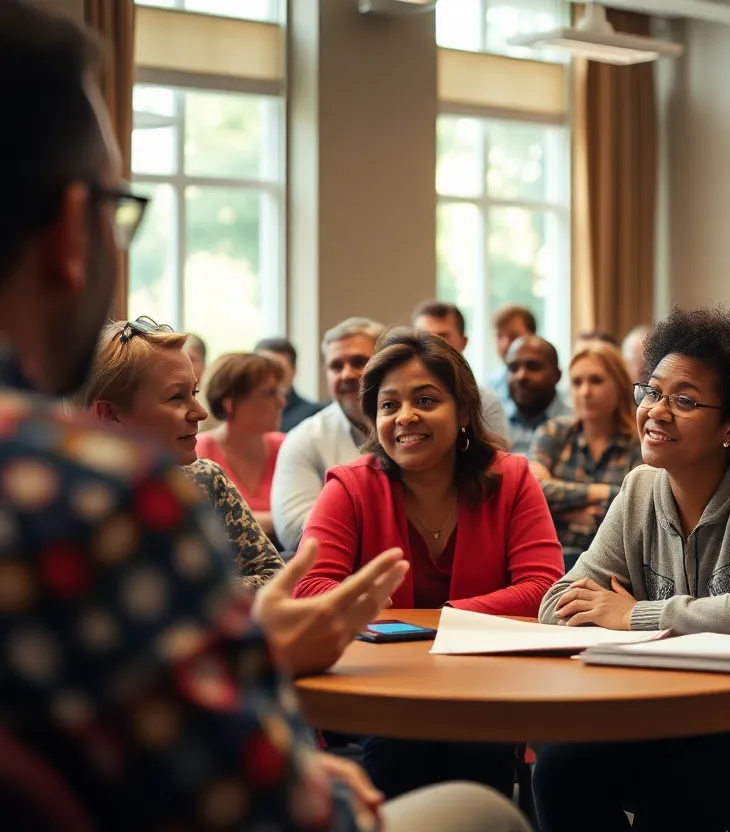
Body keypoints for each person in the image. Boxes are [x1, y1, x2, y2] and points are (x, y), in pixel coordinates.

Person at [0, 4, 530, 830]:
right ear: (74, 230)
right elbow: (252, 805)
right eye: (116, 207)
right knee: (480, 811)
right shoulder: (89, 494)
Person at [534, 307, 730, 832]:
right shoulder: (640, 489)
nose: (656, 411)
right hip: (672, 709)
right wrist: (598, 610)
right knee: (559, 769)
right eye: (651, 392)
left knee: (674, 801)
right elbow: (558, 599)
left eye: (684, 400)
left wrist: (636, 616)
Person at [294, 327, 564, 799]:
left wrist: (438, 622)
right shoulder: (350, 486)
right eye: (388, 405)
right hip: (387, 690)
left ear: (463, 412)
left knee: (477, 771)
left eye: (425, 400)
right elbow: (312, 589)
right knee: (398, 758)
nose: (405, 417)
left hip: (487, 690)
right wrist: (442, 629)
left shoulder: (512, 478)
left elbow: (543, 586)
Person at [80, 320, 285, 589]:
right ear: (109, 415)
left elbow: (277, 577)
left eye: (194, 392)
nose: (200, 412)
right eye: (176, 397)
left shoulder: (206, 480)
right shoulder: (64, 502)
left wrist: (195, 594)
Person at [271, 316, 385, 551]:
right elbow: (293, 531)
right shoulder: (304, 438)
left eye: (358, 362)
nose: (345, 375)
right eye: (336, 366)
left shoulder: (413, 427)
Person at [529, 342, 643, 568]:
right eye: (577, 382)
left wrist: (561, 511)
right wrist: (602, 493)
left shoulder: (639, 442)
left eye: (596, 381)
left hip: (615, 565)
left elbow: (638, 505)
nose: (585, 392)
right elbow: (534, 493)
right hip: (552, 559)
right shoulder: (554, 433)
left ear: (619, 385)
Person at [196, 351, 287, 537]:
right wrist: (280, 521)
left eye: (279, 392)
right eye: (269, 393)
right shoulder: (199, 451)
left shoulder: (286, 447)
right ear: (230, 403)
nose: (281, 402)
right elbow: (204, 524)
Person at [412, 299, 511, 439]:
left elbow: (498, 456)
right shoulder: (398, 400)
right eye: (424, 337)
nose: (431, 346)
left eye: (442, 337)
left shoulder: (486, 403)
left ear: (463, 342)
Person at [503, 334, 571, 455]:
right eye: (513, 368)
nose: (521, 376)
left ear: (557, 375)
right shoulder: (493, 424)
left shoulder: (574, 424)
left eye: (533, 367)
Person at [256, 335, 324, 432]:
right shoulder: (241, 412)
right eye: (263, 369)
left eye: (279, 370)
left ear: (294, 370)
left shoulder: (314, 417)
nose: (270, 377)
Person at [489, 304, 536, 400]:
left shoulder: (546, 383)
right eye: (499, 336)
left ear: (533, 337)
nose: (505, 345)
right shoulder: (489, 388)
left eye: (513, 336)